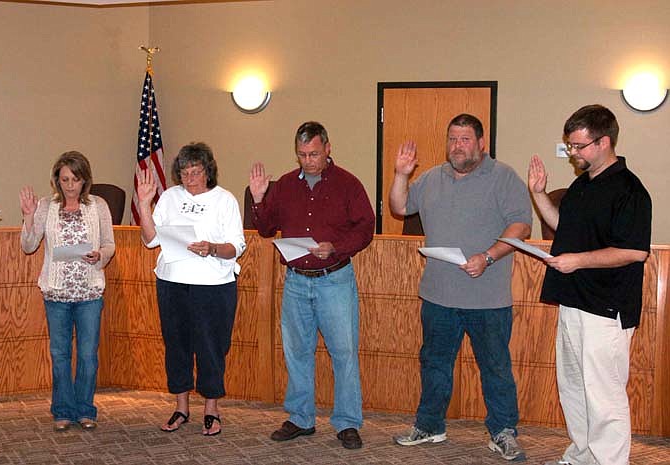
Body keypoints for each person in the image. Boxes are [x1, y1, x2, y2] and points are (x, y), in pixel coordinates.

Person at [389, 114, 531, 461]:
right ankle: (430, 426)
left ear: (481, 143)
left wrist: (489, 256)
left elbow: (522, 226)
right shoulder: (432, 178)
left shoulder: (503, 177)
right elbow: (400, 207)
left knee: (495, 367)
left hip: (488, 297)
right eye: (452, 138)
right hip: (439, 295)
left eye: (465, 139)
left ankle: (503, 431)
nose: (457, 146)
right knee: (435, 364)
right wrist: (401, 175)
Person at [529, 105, 652, 465]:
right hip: (573, 300)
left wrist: (578, 260)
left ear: (604, 142)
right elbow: (564, 228)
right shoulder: (584, 185)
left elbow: (634, 252)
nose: (574, 154)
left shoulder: (630, 189)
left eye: (579, 147)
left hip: (607, 307)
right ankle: (582, 456)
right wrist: (539, 194)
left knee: (604, 395)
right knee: (574, 389)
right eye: (570, 146)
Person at [249, 121, 375, 450]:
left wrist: (336, 246)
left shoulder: (348, 184)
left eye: (314, 154)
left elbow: (366, 228)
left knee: (343, 353)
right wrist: (260, 199)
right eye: (302, 155)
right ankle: (301, 418)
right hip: (296, 282)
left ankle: (347, 422)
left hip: (334, 279)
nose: (309, 161)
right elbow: (265, 229)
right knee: (297, 352)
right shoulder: (287, 185)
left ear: (328, 148)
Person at [137, 142, 246, 436]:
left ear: (208, 171)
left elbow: (236, 246)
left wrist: (211, 248)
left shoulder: (225, 200)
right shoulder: (171, 197)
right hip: (172, 282)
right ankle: (181, 407)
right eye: (184, 173)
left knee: (211, 347)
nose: (189, 179)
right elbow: (150, 239)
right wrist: (144, 205)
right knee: (176, 345)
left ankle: (211, 408)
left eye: (195, 172)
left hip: (212, 285)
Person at [20, 151, 115, 432]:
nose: (69, 185)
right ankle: (62, 410)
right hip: (56, 294)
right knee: (60, 354)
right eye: (64, 179)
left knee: (87, 354)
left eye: (75, 179)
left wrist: (99, 256)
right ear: (56, 180)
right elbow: (28, 245)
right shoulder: (46, 206)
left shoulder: (98, 206)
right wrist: (28, 217)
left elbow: (110, 244)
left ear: (84, 180)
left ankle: (85, 410)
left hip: (89, 293)